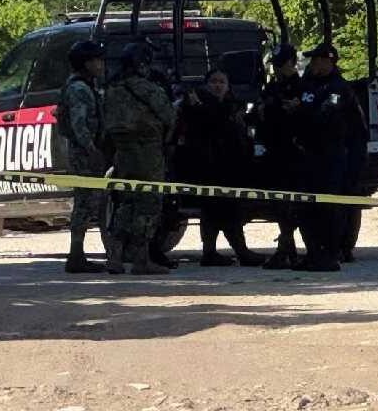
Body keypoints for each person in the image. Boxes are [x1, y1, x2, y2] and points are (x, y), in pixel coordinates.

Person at [175, 68, 265, 267]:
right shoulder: (197, 104)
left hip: (230, 166)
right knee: (216, 209)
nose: (217, 85)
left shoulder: (232, 105)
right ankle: (225, 252)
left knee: (228, 209)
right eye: (213, 81)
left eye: (222, 82)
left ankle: (224, 251)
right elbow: (209, 123)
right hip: (208, 166)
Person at [104, 42, 175, 275]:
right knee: (148, 204)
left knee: (125, 203)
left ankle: (114, 258)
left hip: (122, 154)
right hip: (149, 153)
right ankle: (141, 259)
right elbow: (169, 118)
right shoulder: (151, 90)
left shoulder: (112, 90)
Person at [294, 42, 363, 273]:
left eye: (316, 60)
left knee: (330, 207)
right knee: (305, 207)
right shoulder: (308, 84)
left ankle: (331, 253)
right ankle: (313, 252)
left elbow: (325, 117)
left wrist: (300, 110)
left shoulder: (337, 88)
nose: (312, 64)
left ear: (328, 61)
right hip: (308, 155)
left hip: (332, 157)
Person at [56, 40, 114, 274]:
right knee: (85, 204)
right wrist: (92, 150)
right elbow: (80, 125)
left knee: (91, 203)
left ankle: (79, 254)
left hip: (87, 151)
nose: (101, 64)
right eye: (97, 60)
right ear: (86, 63)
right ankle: (76, 255)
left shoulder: (85, 86)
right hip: (85, 154)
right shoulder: (79, 89)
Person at [253, 43, 304, 270]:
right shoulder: (273, 87)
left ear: (291, 63)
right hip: (274, 151)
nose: (277, 69)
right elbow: (262, 112)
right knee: (278, 204)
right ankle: (287, 248)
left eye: (280, 64)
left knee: (293, 205)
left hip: (294, 153)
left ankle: (287, 248)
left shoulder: (301, 87)